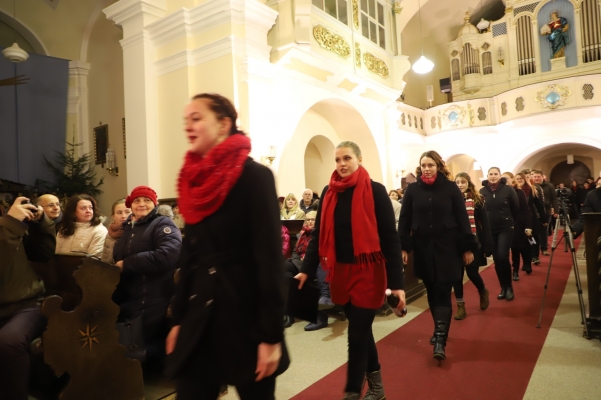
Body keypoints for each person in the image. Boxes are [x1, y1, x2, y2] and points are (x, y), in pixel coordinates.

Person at [165, 93, 288, 399]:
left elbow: (270, 260)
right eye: (186, 121)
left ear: (223, 124)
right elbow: (190, 256)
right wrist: (179, 318)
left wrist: (270, 336)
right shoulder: (194, 182)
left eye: (196, 119)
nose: (188, 127)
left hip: (245, 317)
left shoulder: (255, 177)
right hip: (201, 317)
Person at [297, 141, 405, 400]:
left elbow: (390, 239)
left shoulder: (376, 191)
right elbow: (318, 235)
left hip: (369, 273)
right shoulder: (329, 192)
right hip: (340, 274)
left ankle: (352, 391)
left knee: (356, 334)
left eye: (347, 158)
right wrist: (306, 269)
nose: (341, 164)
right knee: (361, 331)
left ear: (359, 159)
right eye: (337, 159)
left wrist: (398, 283)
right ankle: (377, 388)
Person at [399, 151, 475, 362]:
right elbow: (404, 220)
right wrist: (403, 247)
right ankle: (438, 328)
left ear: (438, 166)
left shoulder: (450, 188)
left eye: (430, 165)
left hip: (447, 248)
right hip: (423, 249)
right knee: (431, 291)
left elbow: (462, 219)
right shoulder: (413, 190)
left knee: (442, 290)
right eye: (423, 165)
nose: (426, 168)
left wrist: (468, 247)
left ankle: (440, 337)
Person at [112, 186, 182, 365]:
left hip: (152, 295)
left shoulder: (162, 224)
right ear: (131, 204)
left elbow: (168, 255)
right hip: (129, 294)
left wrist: (127, 264)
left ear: (155, 204)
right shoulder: (129, 228)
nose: (141, 204)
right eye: (136, 200)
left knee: (138, 347)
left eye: (147, 200)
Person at [0, 197, 56, 400]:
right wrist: (11, 223)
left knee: (8, 341)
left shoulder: (7, 225)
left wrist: (40, 221)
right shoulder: (8, 226)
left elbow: (44, 254)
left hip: (26, 303)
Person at [452, 173, 493, 320]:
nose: (460, 185)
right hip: (455, 242)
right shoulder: (451, 200)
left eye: (463, 182)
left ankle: (482, 291)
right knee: (457, 276)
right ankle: (460, 306)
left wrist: (488, 245)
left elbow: (485, 225)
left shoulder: (478, 200)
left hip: (474, 241)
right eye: (457, 182)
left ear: (469, 183)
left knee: (472, 273)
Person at [480, 167, 519, 301]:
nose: (493, 176)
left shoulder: (508, 189)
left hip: (505, 227)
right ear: (487, 175)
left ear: (500, 175)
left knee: (503, 256)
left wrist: (508, 220)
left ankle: (509, 287)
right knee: (497, 259)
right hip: (490, 229)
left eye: (495, 174)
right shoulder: (482, 191)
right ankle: (503, 287)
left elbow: (515, 208)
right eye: (491, 174)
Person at [283, 211, 318, 329]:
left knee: (286, 270)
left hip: (313, 265)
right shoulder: (301, 234)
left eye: (312, 219)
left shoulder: (319, 234)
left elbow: (316, 254)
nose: (309, 222)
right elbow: (295, 252)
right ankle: (289, 313)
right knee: (286, 272)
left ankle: (289, 314)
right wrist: (299, 262)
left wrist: (305, 262)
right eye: (307, 219)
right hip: (299, 262)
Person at [502, 172, 532, 281]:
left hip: (518, 223)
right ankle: (513, 270)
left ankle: (517, 269)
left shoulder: (519, 192)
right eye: (503, 178)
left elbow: (525, 210)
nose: (504, 180)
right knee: (512, 249)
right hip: (504, 224)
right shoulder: (500, 192)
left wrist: (528, 225)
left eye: (507, 178)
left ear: (512, 179)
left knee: (518, 247)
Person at [515, 173, 547, 269]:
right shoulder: (512, 191)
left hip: (531, 218)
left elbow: (539, 205)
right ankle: (527, 259)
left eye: (521, 178)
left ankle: (535, 255)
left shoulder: (531, 189)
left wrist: (544, 219)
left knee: (533, 238)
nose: (519, 180)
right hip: (518, 220)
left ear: (525, 179)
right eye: (517, 179)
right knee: (523, 241)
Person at [532, 170, 557, 256]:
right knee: (534, 231)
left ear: (543, 177)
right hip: (534, 211)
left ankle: (544, 248)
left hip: (546, 211)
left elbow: (554, 198)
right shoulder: (531, 186)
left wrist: (555, 210)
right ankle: (534, 250)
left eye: (538, 176)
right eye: (535, 177)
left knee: (543, 230)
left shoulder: (549, 186)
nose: (536, 178)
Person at [100, 199, 132, 264]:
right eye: (119, 213)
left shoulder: (134, 231)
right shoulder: (110, 232)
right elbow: (105, 257)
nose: (123, 216)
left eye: (127, 212)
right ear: (113, 216)